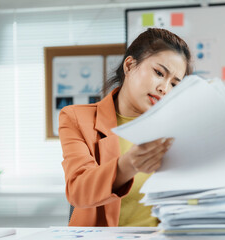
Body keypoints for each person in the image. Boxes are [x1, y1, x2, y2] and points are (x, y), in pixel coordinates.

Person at [59, 28, 192, 227]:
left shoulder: (177, 128)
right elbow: (78, 190)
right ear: (129, 66)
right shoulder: (77, 118)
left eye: (174, 84)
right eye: (159, 73)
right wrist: (128, 165)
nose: (164, 88)